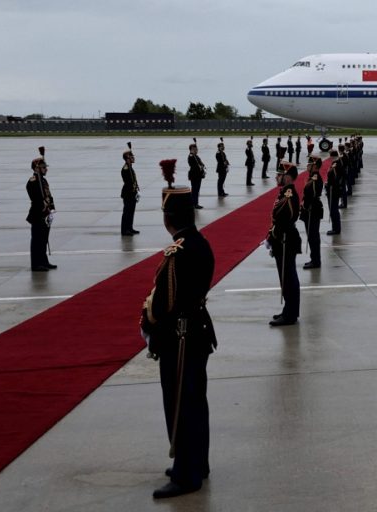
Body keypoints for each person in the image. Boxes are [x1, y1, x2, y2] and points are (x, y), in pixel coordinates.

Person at [141, 159, 217, 499]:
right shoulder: (200, 243)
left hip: (180, 338)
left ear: (168, 218)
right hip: (198, 331)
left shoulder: (178, 252)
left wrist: (147, 321)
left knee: (181, 404)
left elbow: (164, 304)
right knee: (195, 401)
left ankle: (187, 475)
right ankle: (196, 461)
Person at [266, 161, 301, 326]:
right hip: (282, 239)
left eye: (279, 174)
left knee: (288, 278)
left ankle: (291, 314)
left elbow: (282, 216)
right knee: (285, 277)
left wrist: (275, 233)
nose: (276, 177)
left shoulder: (288, 194)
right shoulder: (284, 192)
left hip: (286, 240)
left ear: (287, 177)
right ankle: (289, 310)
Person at [26, 150, 57, 271]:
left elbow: (49, 196)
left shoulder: (43, 180)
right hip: (38, 214)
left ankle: (44, 261)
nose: (46, 169)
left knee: (44, 239)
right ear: (37, 168)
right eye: (43, 167)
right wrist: (43, 205)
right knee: (37, 240)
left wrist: (52, 209)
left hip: (46, 214)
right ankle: (36, 264)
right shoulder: (33, 181)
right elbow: (35, 198)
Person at [300, 156, 324, 269]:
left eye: (309, 164)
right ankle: (314, 259)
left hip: (312, 211)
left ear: (314, 166)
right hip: (310, 210)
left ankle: (316, 261)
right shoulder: (312, 177)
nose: (307, 166)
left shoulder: (314, 178)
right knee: (312, 237)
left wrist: (305, 204)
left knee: (313, 237)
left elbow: (312, 195)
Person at [120, 145, 140, 236]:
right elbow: (128, 182)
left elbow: (134, 180)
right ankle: (124, 230)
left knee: (131, 211)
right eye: (132, 157)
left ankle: (130, 228)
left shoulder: (130, 167)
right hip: (128, 193)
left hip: (132, 193)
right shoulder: (126, 169)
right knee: (127, 212)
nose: (133, 158)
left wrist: (137, 190)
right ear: (128, 158)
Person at [325, 150, 342, 235]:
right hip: (333, 190)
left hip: (333, 191)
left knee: (333, 210)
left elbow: (335, 179)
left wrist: (329, 184)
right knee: (334, 210)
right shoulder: (336, 163)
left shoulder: (335, 165)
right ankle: (335, 227)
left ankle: (336, 229)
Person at [187, 143, 205, 209]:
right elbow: (193, 165)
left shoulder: (196, 156)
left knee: (196, 190)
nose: (196, 150)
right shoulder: (191, 156)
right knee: (194, 190)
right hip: (194, 175)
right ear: (191, 150)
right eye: (194, 149)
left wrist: (202, 165)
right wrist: (199, 166)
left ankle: (195, 203)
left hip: (198, 175)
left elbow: (200, 163)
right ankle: (194, 204)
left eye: (196, 149)